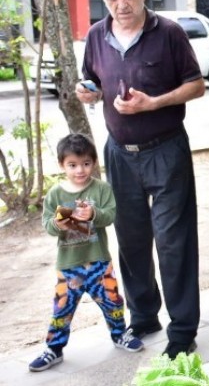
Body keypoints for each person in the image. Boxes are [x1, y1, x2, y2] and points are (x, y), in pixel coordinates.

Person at [75, 0, 205, 359]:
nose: (121, 3)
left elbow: (196, 85)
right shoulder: (97, 35)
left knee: (173, 242)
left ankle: (182, 329)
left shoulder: (167, 32)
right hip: (119, 154)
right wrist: (89, 92)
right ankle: (144, 315)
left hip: (166, 150)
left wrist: (155, 103)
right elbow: (92, 80)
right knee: (131, 241)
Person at [28, 134, 144, 373]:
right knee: (62, 308)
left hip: (99, 261)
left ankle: (119, 334)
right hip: (69, 265)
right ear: (62, 165)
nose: (80, 170)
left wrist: (93, 214)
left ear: (93, 162)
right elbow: (48, 224)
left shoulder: (101, 189)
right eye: (72, 165)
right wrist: (59, 224)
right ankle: (54, 349)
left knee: (113, 302)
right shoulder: (55, 195)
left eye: (86, 163)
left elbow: (110, 215)